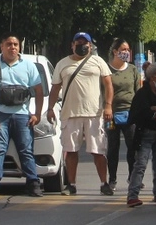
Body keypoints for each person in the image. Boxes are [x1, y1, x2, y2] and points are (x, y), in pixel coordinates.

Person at [46, 32, 115, 196]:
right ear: (72, 45)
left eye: (85, 43)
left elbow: (108, 85)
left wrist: (108, 106)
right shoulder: (62, 64)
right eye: (79, 42)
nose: (82, 45)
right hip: (70, 113)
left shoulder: (98, 62)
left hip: (94, 113)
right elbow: (55, 88)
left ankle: (104, 183)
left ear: (90, 46)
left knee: (98, 151)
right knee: (70, 151)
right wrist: (50, 109)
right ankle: (71, 184)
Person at [0, 33, 45, 197]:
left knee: (26, 151)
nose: (12, 47)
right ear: (1, 46)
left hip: (22, 116)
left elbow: (39, 91)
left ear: (19, 47)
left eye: (15, 44)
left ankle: (33, 183)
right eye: (8, 44)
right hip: (0, 117)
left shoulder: (28, 65)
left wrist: (37, 114)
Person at [126, 62, 156, 207]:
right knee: (140, 164)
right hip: (145, 134)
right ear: (153, 77)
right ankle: (132, 196)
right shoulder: (142, 94)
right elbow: (139, 114)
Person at [106, 38, 141, 193]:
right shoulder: (107, 70)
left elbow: (138, 91)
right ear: (115, 52)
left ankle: (132, 177)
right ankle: (112, 179)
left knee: (132, 145)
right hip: (111, 114)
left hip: (130, 113)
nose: (126, 52)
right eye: (123, 49)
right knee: (112, 147)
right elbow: (103, 91)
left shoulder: (133, 69)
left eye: (128, 50)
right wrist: (106, 109)